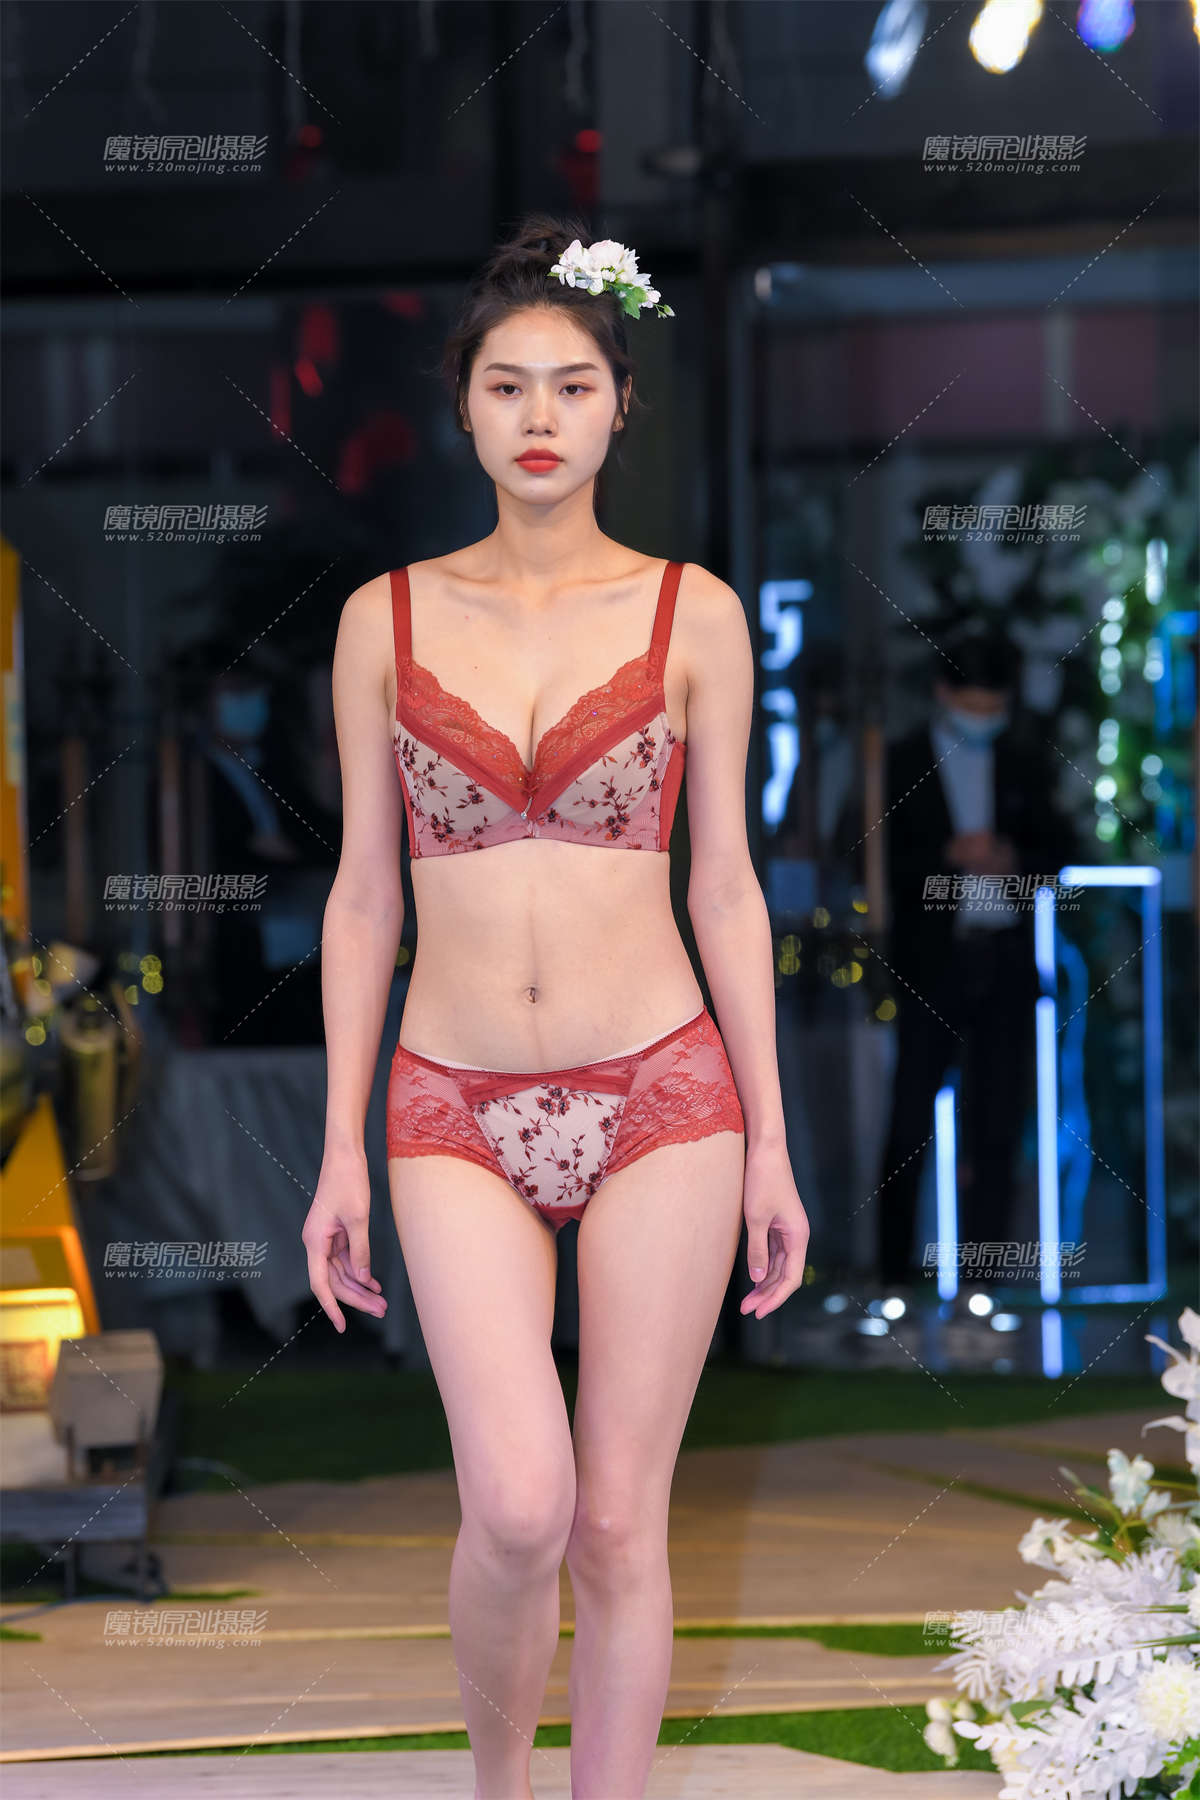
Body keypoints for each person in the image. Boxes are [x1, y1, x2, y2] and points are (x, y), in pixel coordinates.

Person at [302, 214, 809, 1800]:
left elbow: (726, 888)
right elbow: (364, 898)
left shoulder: (693, 614)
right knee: (518, 1506)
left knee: (615, 1523)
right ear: (463, 407)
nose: (540, 416)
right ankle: (499, 1787)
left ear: (619, 407)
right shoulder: (383, 620)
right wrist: (337, 1150)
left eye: (573, 386)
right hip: (450, 1100)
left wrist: (772, 1145)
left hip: (664, 1092)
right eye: (508, 385)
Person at [877, 625, 1079, 1290]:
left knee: (998, 1119)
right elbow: (874, 861)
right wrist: (946, 857)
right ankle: (894, 1275)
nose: (984, 719)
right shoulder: (900, 763)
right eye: (974, 705)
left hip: (1005, 961)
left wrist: (1013, 859)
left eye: (995, 707)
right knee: (910, 1119)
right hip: (931, 964)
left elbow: (1061, 851)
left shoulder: (1025, 761)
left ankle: (984, 1278)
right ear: (944, 693)